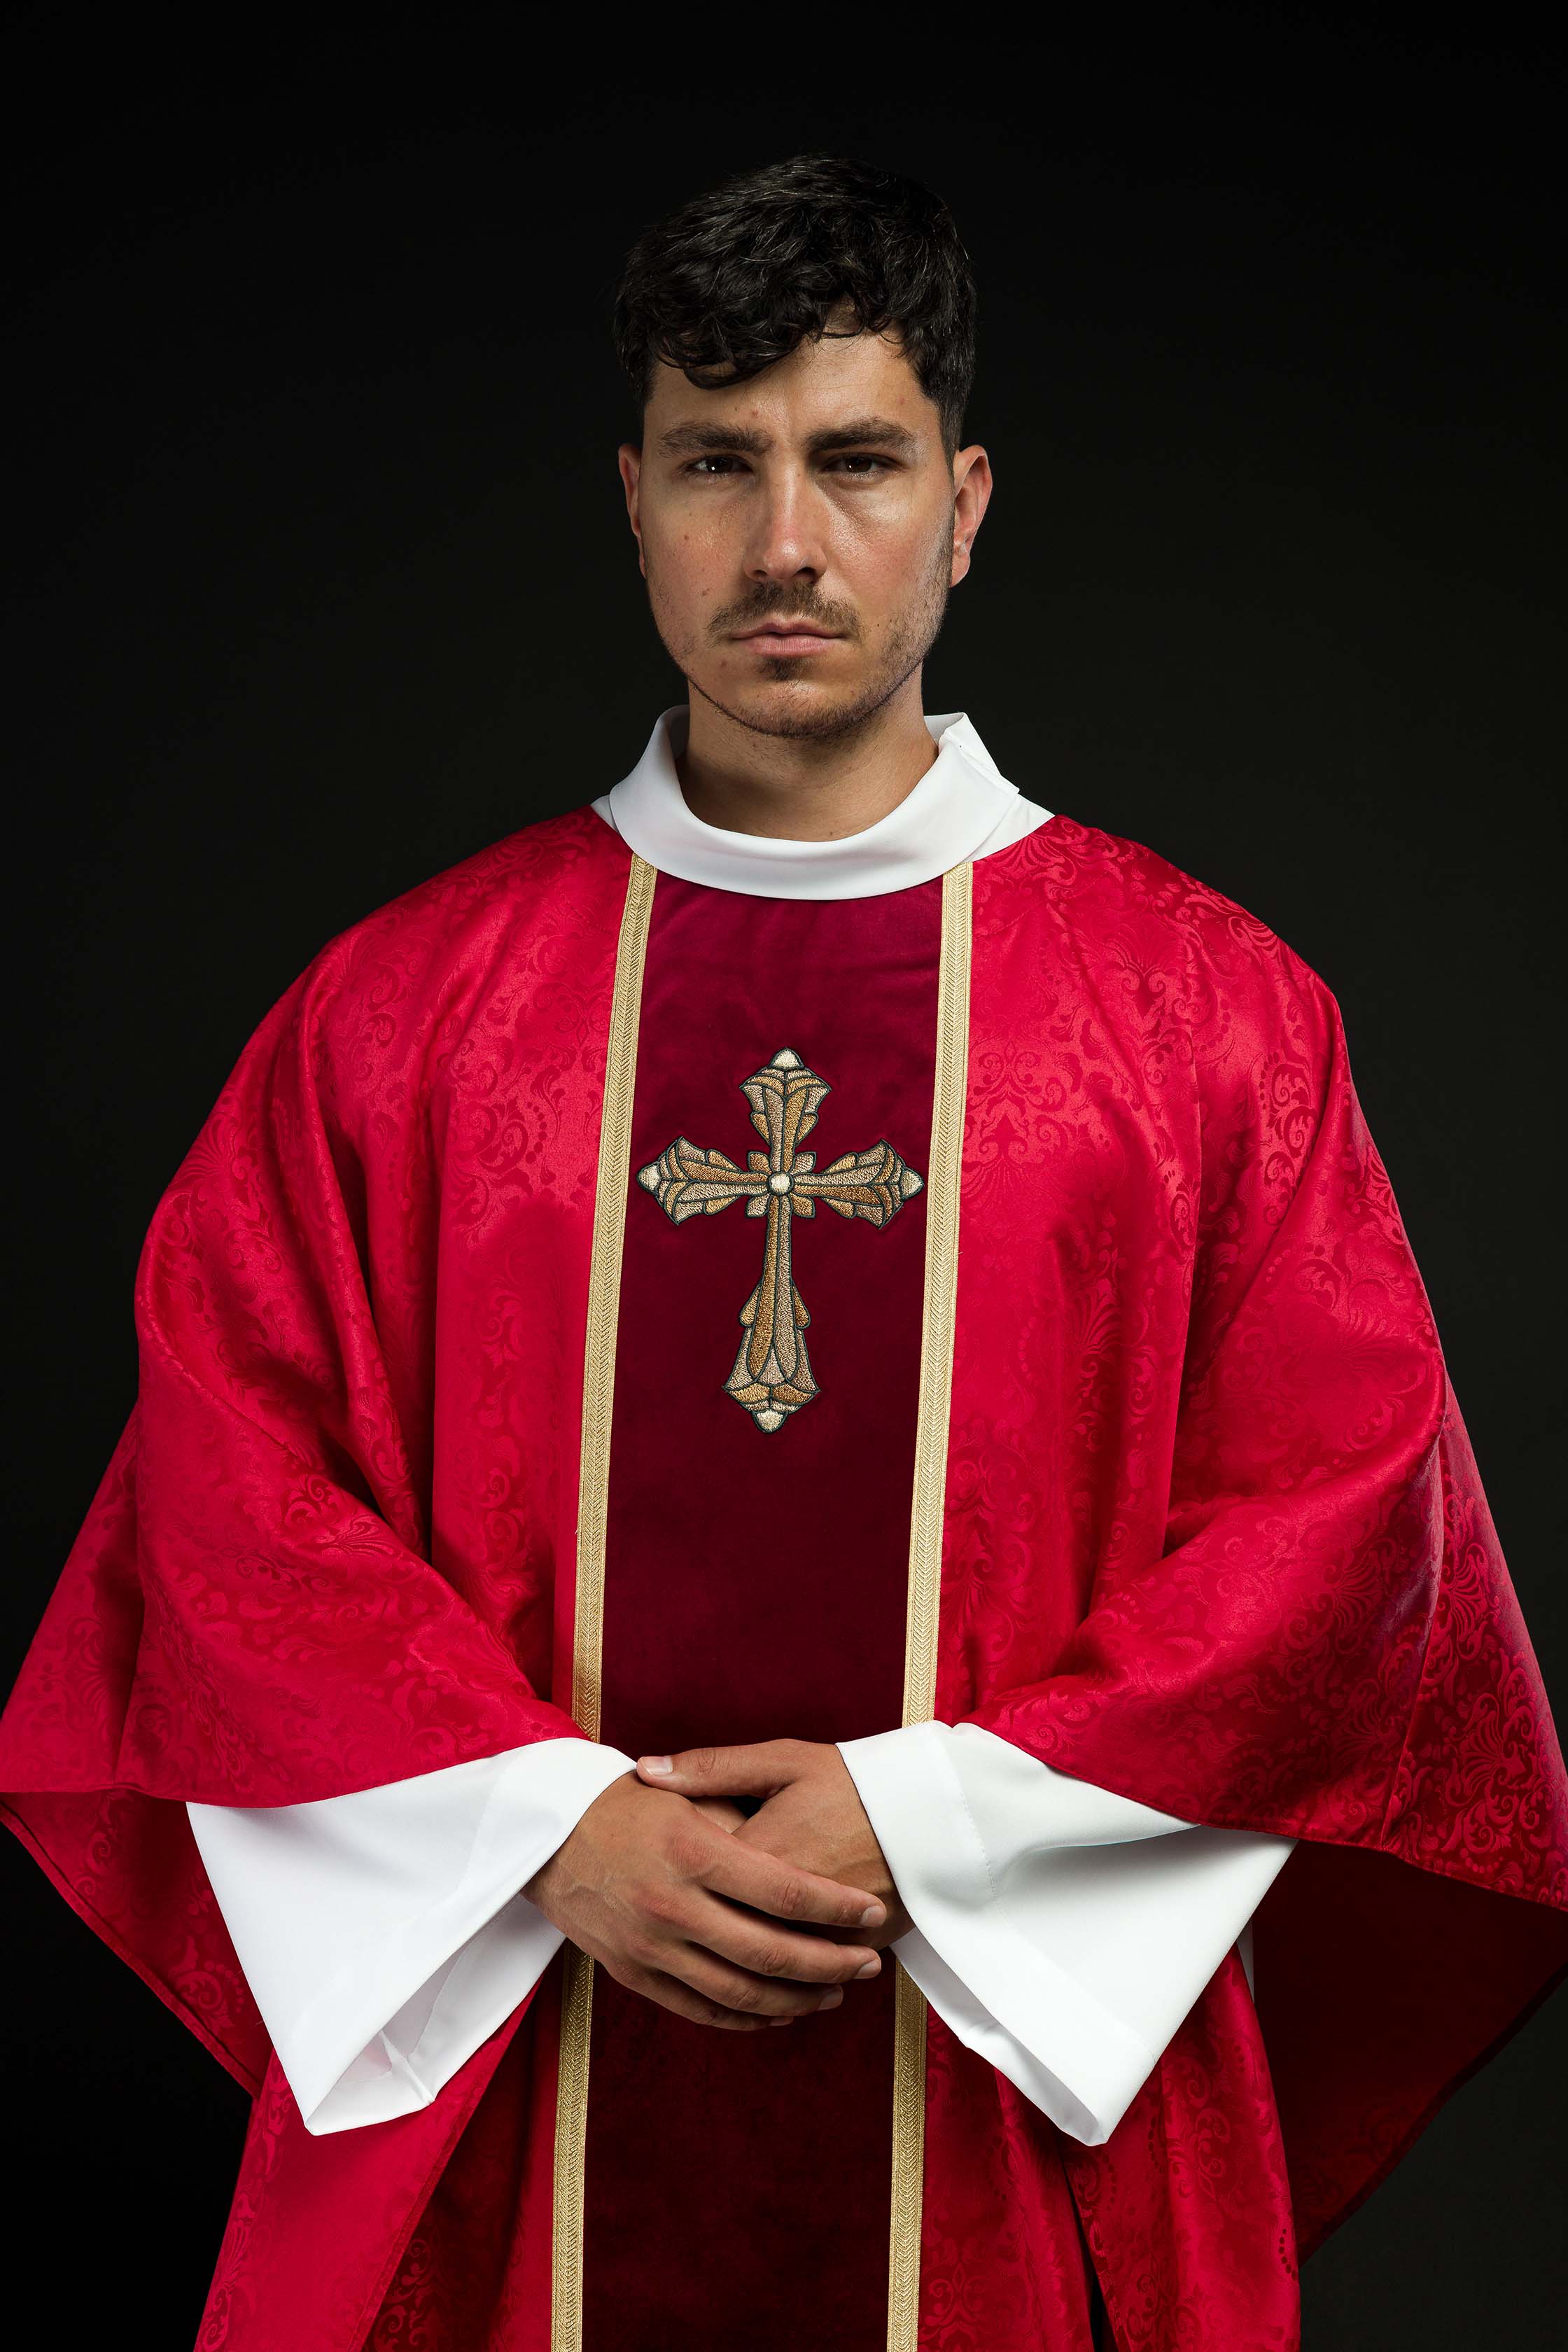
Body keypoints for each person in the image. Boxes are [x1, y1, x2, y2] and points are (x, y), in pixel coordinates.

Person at [2, 153, 1564, 2352]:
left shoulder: (1204, 1017)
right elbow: (232, 1494)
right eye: (717, 466)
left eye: (856, 462)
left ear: (971, 498)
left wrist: (927, 1824)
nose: (787, 546)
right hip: (524, 2084)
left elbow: (1337, 1538)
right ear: (628, 497)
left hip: (1003, 2121)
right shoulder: (407, 1012)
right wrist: (551, 1830)